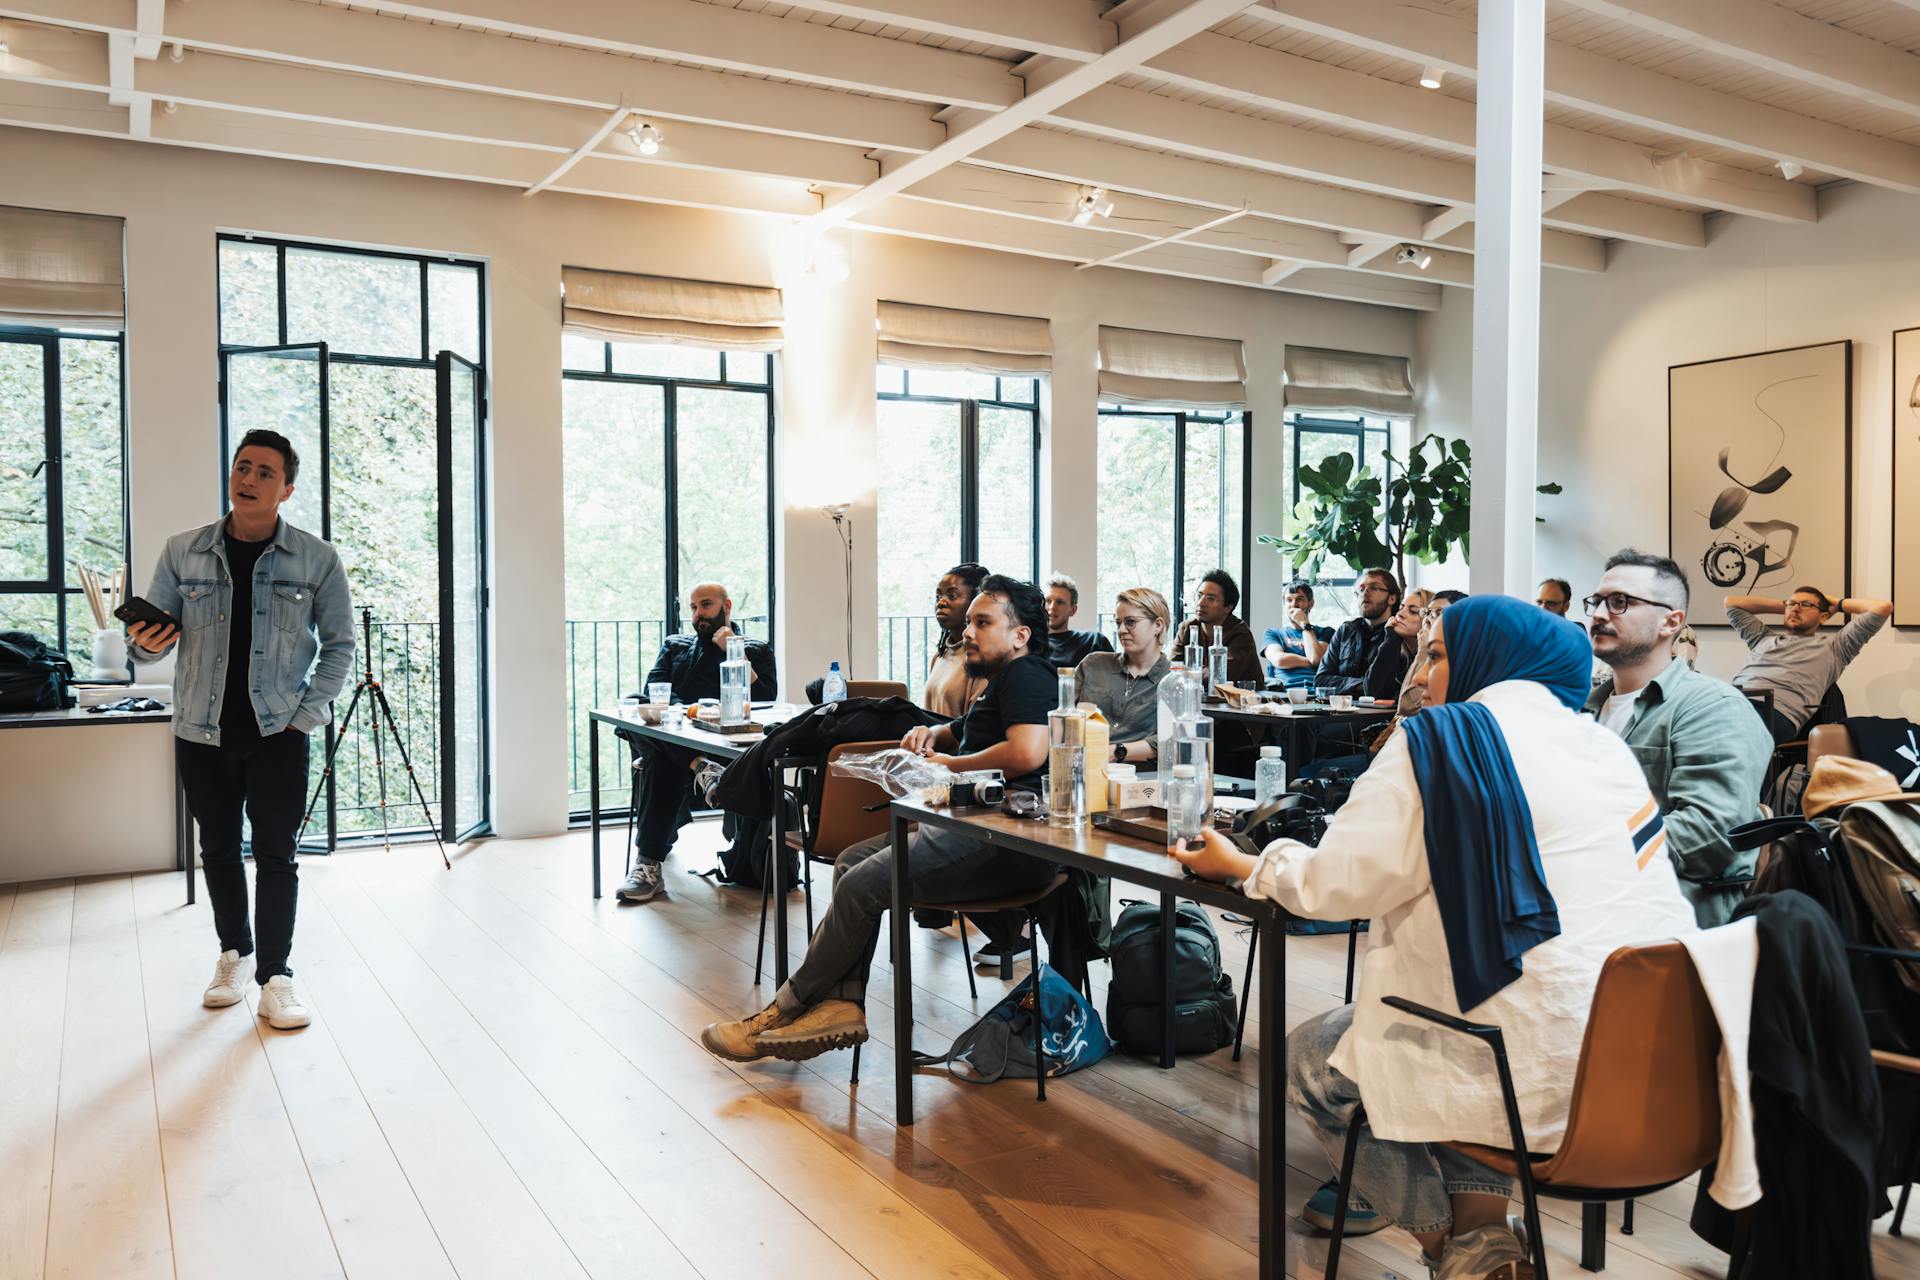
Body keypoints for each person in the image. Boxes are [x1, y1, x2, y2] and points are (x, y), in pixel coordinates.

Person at [1173, 596, 1697, 1276]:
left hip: (1525, 1068)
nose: (1423, 673)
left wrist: (1245, 863)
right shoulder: (1605, 748)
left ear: (1488, 661)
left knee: (1313, 1059)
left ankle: (1460, 1250)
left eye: (1441, 653)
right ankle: (1484, 1233)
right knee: (1463, 1013)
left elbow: (1338, 885)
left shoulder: (1439, 743)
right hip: (1652, 1074)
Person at [698, 575, 1059, 1062]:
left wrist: (947, 765)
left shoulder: (1029, 674)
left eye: (982, 622)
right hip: (974, 825)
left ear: (1020, 635)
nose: (968, 632)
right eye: (969, 621)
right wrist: (941, 735)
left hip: (1006, 840)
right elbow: (984, 729)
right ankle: (843, 1006)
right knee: (850, 862)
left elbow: (1026, 751)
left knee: (860, 885)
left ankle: (783, 1009)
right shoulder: (1006, 680)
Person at [126, 429, 354, 1031]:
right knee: (219, 850)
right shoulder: (183, 551)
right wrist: (144, 644)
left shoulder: (317, 558)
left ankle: (276, 975)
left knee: (277, 854)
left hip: (279, 731)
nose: (248, 479)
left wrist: (305, 715)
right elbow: (149, 646)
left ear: (286, 489)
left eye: (264, 473)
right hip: (200, 731)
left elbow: (339, 647)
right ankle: (233, 954)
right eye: (241, 467)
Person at [1582, 551, 1770, 927]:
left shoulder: (1713, 708)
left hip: (1673, 915)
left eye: (1619, 602)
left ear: (1671, 621)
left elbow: (1709, 833)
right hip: (1591, 901)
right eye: (1598, 601)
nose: (1600, 614)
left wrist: (1582, 849)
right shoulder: (1585, 711)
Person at [616, 581, 779, 903]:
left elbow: (765, 700)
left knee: (659, 759)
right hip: (676, 733)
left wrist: (735, 651)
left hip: (722, 742)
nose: (698, 614)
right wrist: (684, 716)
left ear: (726, 606)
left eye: (705, 605)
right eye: (693, 607)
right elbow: (655, 690)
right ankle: (699, 767)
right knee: (635, 704)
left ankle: (647, 864)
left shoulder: (756, 650)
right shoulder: (675, 645)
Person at [1726, 586, 1893, 744]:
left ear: (1824, 617)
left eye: (1806, 605)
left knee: (1717, 734)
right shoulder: (1762, 638)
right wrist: (1788, 607)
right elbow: (1731, 603)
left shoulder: (1837, 648)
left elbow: (1882, 607)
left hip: (1773, 713)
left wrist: (1835, 603)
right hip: (1730, 702)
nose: (1796, 609)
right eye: (1791, 604)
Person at [1075, 586, 1172, 764]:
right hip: (1081, 769)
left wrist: (1115, 751)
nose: (1121, 630)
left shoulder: (1174, 680)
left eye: (1130, 622)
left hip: (1139, 779)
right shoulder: (1092, 665)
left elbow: (1172, 740)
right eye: (1118, 622)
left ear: (1158, 625)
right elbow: (1064, 716)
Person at [1315, 567, 1404, 698]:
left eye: (1374, 588)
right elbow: (1320, 681)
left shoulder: (1398, 633)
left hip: (1381, 715)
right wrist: (1362, 684)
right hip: (1341, 713)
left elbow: (1388, 688)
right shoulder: (1346, 630)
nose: (1365, 592)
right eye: (1361, 589)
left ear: (1392, 598)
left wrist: (1346, 685)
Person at [1170, 569, 1262, 687]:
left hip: (1240, 701)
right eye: (1199, 595)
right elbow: (1173, 667)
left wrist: (1189, 672)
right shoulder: (1187, 628)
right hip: (1200, 698)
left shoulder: (1240, 632)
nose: (1201, 603)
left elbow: (1219, 675)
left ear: (1228, 607)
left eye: (1211, 599)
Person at [923, 562, 989, 717]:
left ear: (976, 601)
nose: (941, 602)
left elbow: (974, 726)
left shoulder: (981, 659)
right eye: (938, 596)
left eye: (952, 595)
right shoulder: (939, 657)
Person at [1260, 581, 1331, 689]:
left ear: (1311, 604)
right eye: (1289, 600)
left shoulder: (1326, 632)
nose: (1294, 604)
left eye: (1299, 599)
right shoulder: (1272, 633)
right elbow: (1280, 660)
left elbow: (1316, 658)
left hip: (1318, 691)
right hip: (1284, 692)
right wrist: (1311, 661)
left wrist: (1305, 625)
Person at [1043, 572, 1114, 668]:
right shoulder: (1029, 644)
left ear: (1073, 610)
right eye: (1048, 601)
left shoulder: (1094, 641)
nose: (1052, 607)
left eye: (1060, 602)